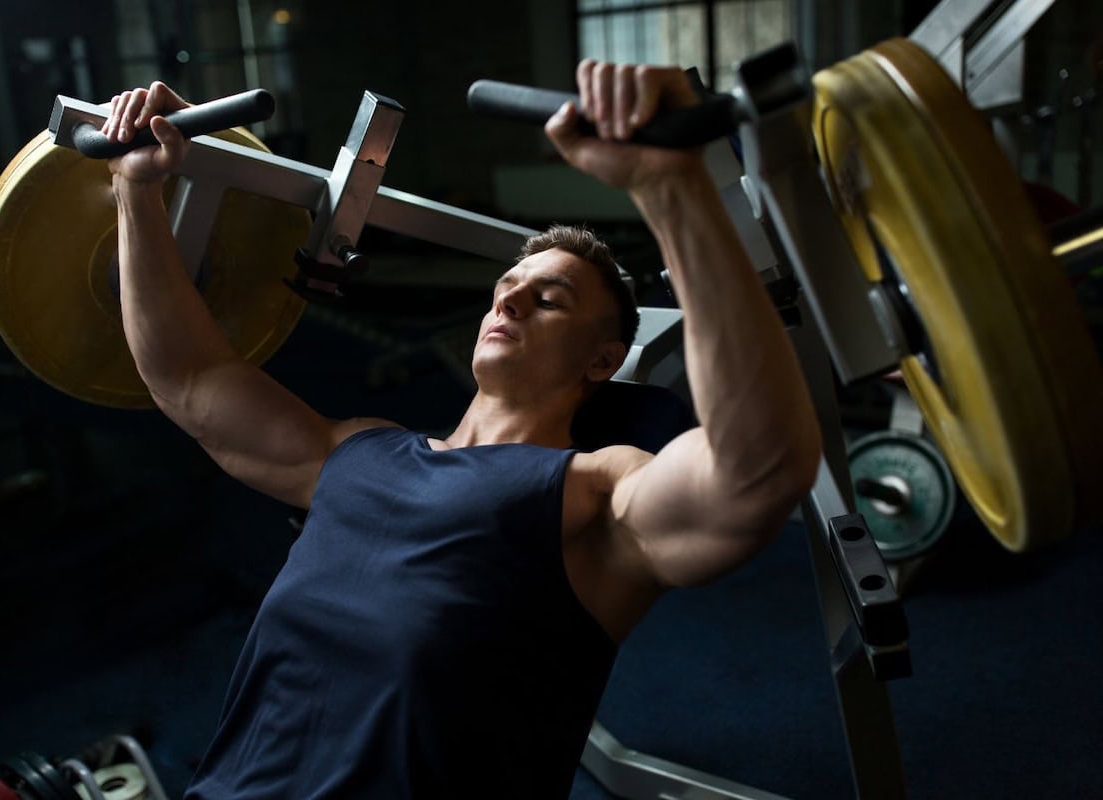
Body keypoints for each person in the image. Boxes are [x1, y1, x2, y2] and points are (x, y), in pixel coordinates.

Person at [102, 59, 821, 799]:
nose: (509, 305)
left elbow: (755, 474)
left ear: (604, 359)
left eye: (550, 300)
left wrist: (672, 189)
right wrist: (138, 187)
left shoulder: (594, 494)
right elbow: (188, 380)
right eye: (505, 292)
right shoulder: (353, 450)